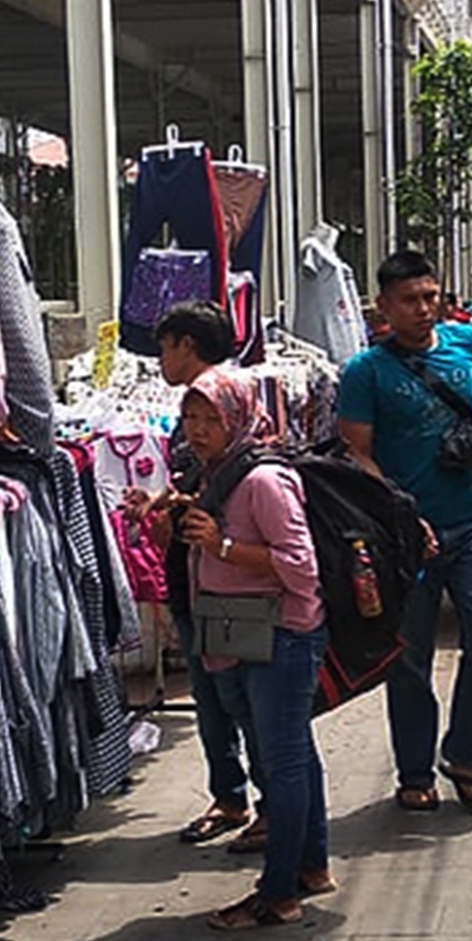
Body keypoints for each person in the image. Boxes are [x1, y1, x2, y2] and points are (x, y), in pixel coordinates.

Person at [336, 251, 472, 816]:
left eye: (430, 296)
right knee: (408, 658)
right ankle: (414, 770)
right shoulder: (365, 371)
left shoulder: (468, 345)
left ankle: (462, 752)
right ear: (383, 307)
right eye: (409, 300)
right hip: (405, 536)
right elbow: (356, 453)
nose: (423, 309)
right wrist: (399, 513)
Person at [171, 369, 332, 930]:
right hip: (245, 632)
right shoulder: (218, 472)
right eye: (191, 417)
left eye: (211, 418)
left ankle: (277, 894)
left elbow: (301, 568)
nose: (198, 429)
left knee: (281, 762)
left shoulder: (263, 480)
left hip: (282, 635)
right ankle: (311, 866)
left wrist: (226, 546)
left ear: (236, 417)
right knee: (292, 755)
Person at [127, 302, 270, 855]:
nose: (197, 427)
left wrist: (178, 514)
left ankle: (260, 802)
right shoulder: (228, 394)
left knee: (235, 695)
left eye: (165, 347)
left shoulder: (216, 399)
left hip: (224, 574)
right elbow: (198, 481)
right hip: (199, 569)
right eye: (193, 423)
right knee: (215, 693)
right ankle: (237, 797)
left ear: (186, 345)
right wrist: (162, 503)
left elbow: (231, 481)